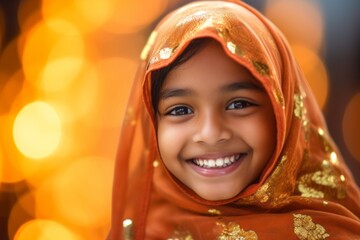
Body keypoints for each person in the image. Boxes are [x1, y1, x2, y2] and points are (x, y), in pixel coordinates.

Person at [107, 1, 360, 239]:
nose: (211, 133)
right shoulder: (140, 230)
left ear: (283, 112)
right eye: (181, 110)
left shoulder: (336, 231)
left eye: (238, 104)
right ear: (152, 123)